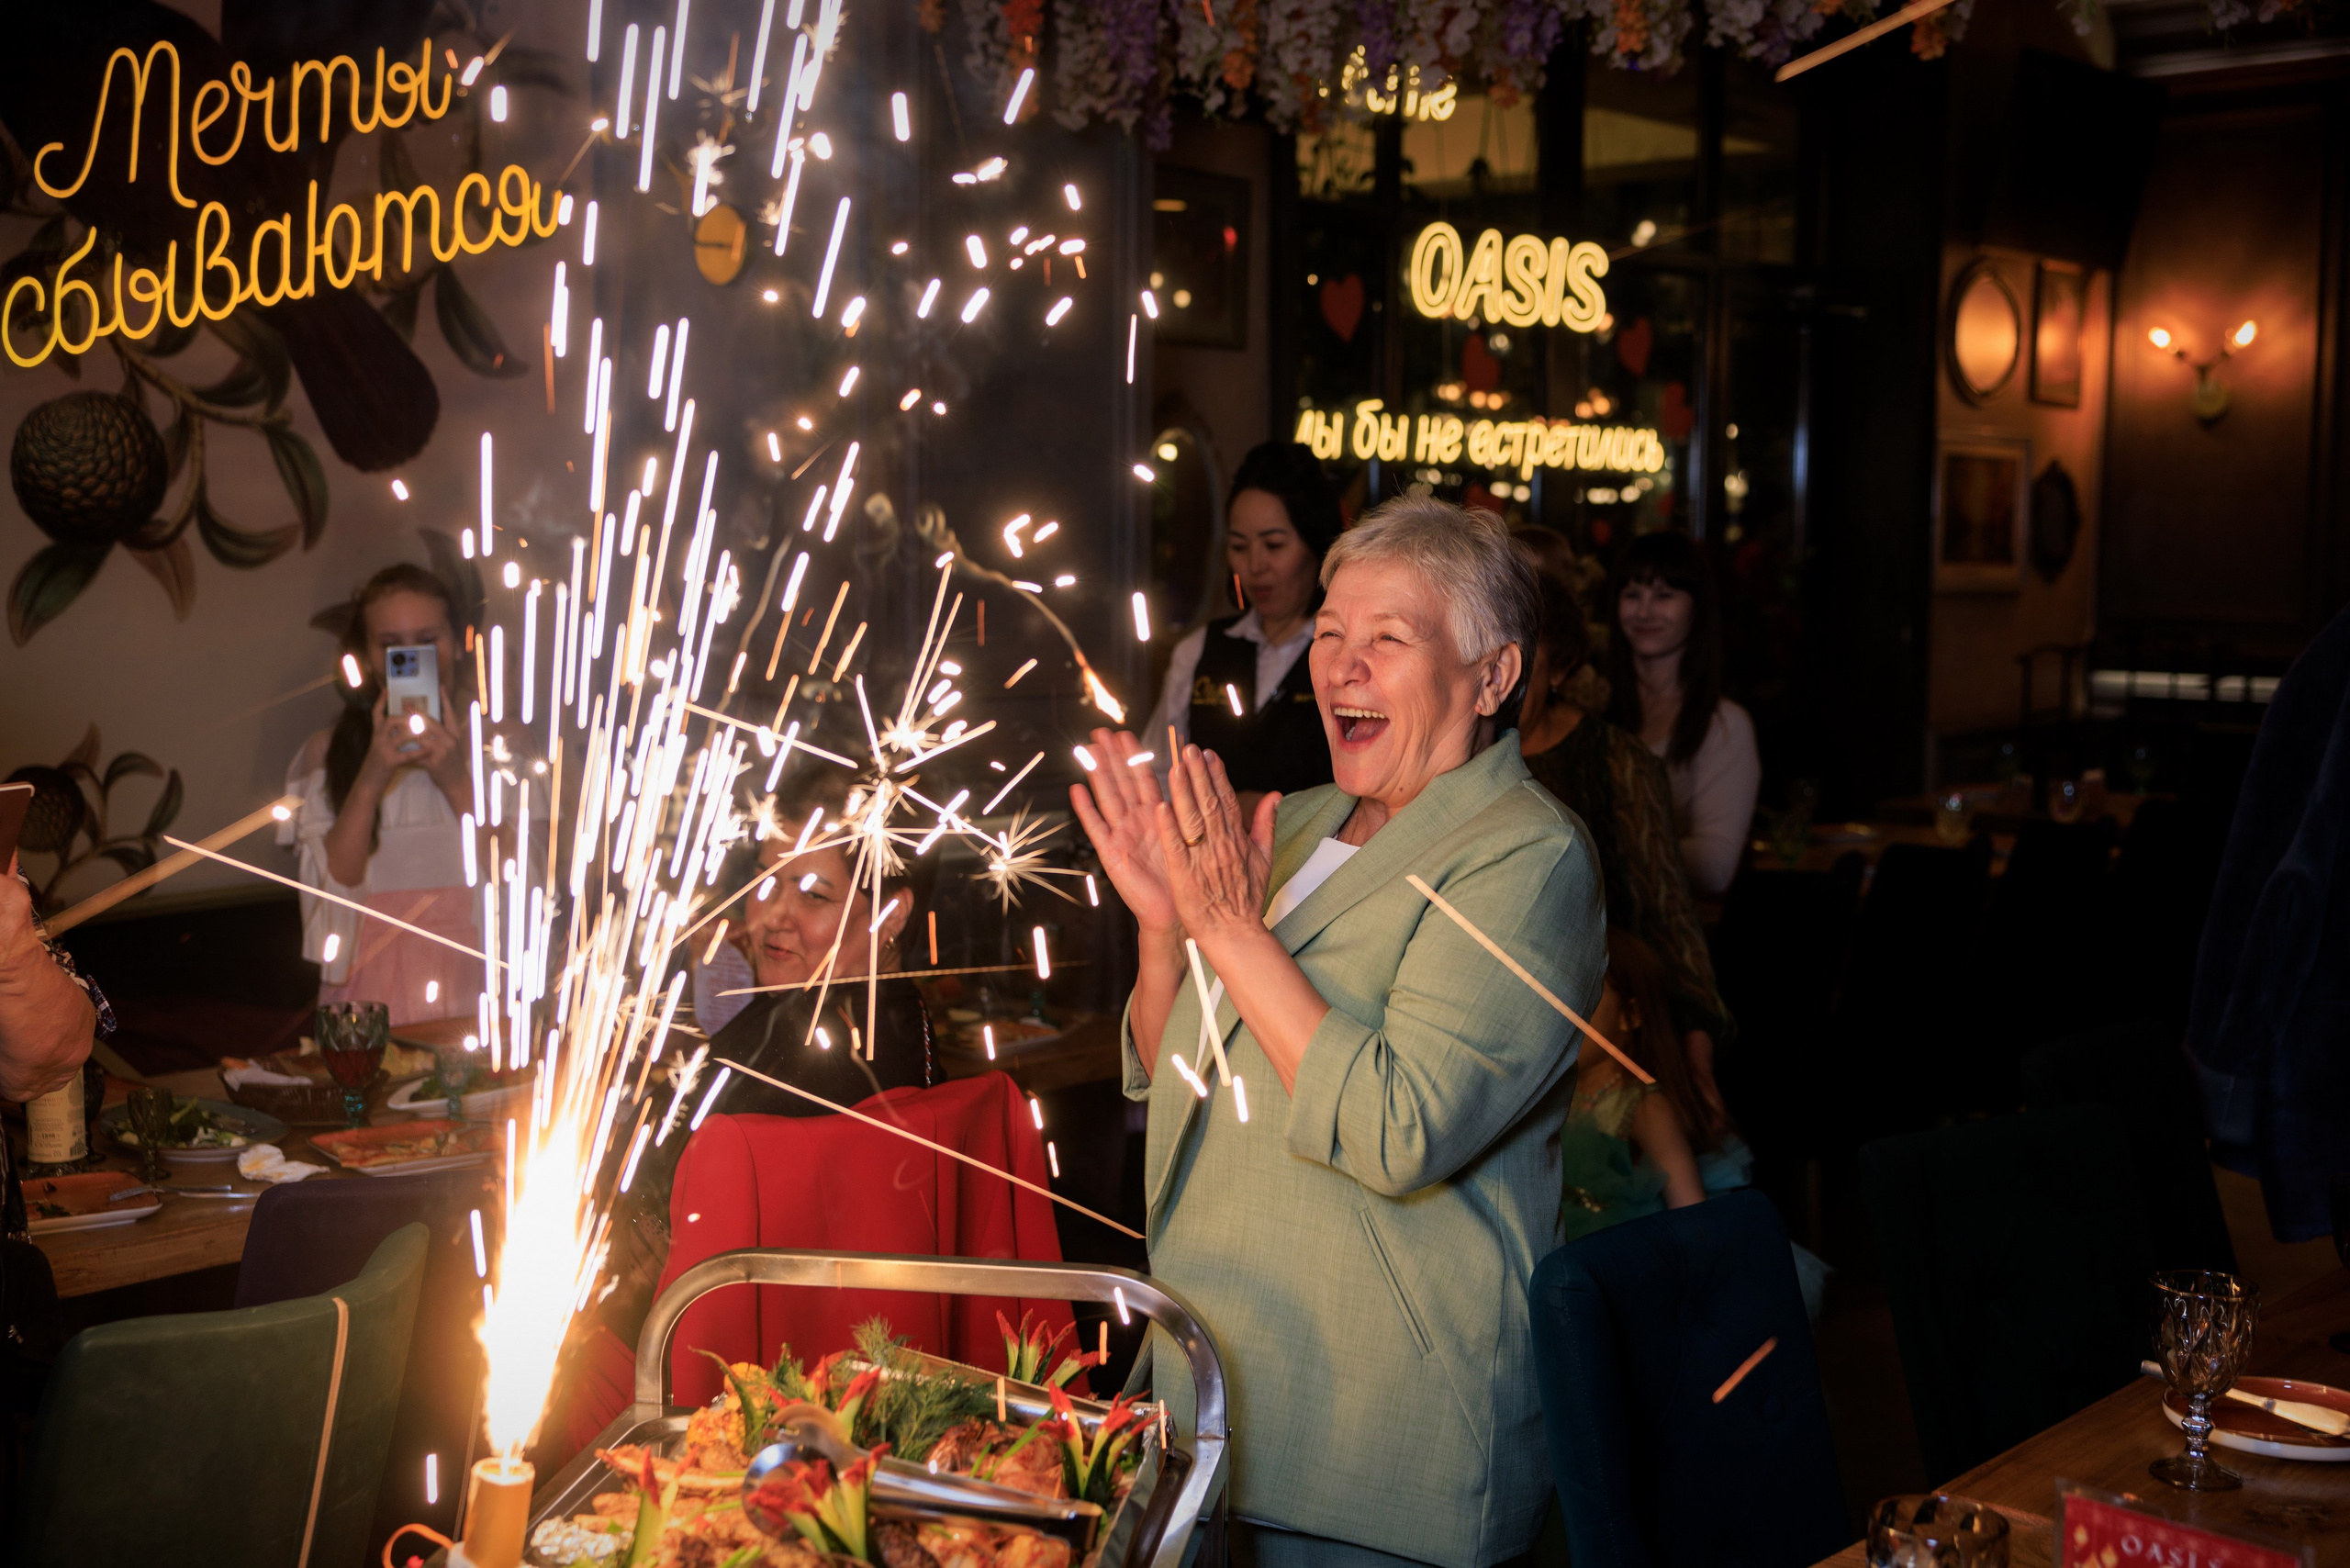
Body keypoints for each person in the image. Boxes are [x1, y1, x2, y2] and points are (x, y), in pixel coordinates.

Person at [1074, 496, 1602, 1568]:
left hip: (1376, 1437)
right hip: (1213, 1397)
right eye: (1327, 634)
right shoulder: (1298, 817)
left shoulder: (1528, 858)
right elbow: (1177, 1075)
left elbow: (1398, 1125)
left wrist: (1227, 923)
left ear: (1492, 676)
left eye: (1387, 639)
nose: (1340, 667)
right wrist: (1168, 936)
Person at [1517, 543, 1731, 1124]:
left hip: (1600, 1022)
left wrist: (1695, 1037)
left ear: (1559, 668)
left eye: (1521, 669)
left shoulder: (1616, 760)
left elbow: (1668, 911)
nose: (1500, 692)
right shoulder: (1457, 752)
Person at [282, 564, 489, 1027]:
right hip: (366, 1003)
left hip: (475, 994)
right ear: (371, 658)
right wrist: (372, 777)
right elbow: (328, 904)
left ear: (457, 643)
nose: (412, 659)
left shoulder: (500, 748)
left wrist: (457, 780)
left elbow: (526, 886)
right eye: (393, 646)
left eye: (428, 639)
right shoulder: (328, 752)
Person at [1142, 442, 1343, 803]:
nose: (1255, 566)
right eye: (1239, 546)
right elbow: (1155, 772)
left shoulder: (1344, 653)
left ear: (1318, 547)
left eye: (1274, 545)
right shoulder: (1200, 649)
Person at [1606, 531, 1760, 899]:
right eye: (1632, 595)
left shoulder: (1723, 725)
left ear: (1696, 608)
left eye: (1664, 596)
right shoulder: (1593, 708)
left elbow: (1715, 866)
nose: (1644, 611)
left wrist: (1599, 851)